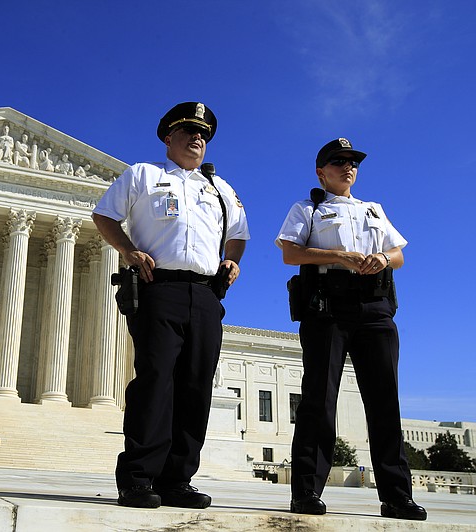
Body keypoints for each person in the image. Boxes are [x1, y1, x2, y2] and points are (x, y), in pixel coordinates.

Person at [92, 102, 249, 509]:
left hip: (206, 294)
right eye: (188, 131)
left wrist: (232, 259)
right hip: (158, 287)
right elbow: (105, 216)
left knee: (195, 388)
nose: (197, 139)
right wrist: (127, 250)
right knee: (155, 382)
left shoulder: (220, 189)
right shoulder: (143, 175)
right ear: (168, 137)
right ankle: (138, 477)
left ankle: (177, 479)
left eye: (204, 135)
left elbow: (238, 235)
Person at [275, 138, 426, 521]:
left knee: (384, 403)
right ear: (320, 171)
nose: (348, 167)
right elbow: (290, 253)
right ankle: (307, 492)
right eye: (338, 162)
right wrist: (338, 255)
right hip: (328, 307)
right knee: (319, 399)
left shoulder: (373, 209)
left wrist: (382, 258)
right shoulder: (308, 208)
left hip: (375, 308)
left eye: (353, 162)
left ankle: (396, 496)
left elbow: (400, 254)